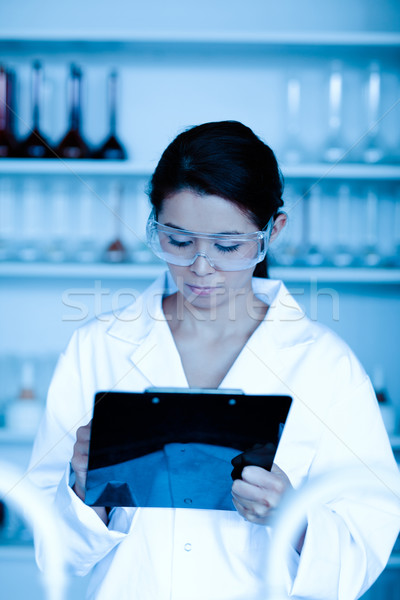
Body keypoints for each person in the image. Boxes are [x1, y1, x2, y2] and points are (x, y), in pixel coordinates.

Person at [28, 121, 399, 600]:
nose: (201, 268)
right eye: (179, 242)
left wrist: (294, 518)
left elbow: (367, 541)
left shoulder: (326, 365)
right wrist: (82, 490)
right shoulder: (98, 347)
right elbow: (53, 551)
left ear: (273, 231)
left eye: (228, 245)